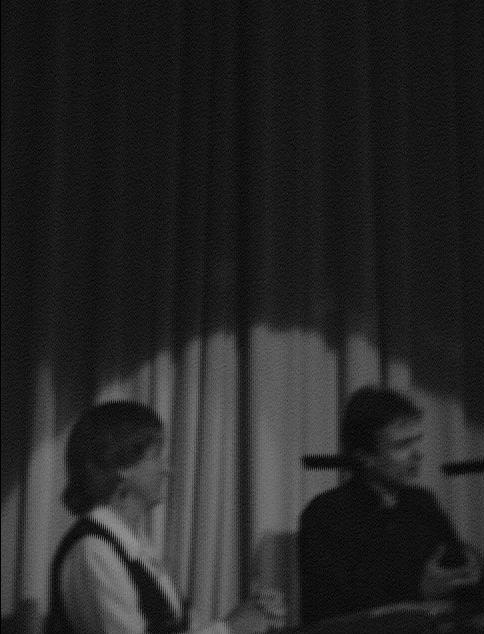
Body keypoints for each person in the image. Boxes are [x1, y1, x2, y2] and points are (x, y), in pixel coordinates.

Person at [46, 401, 285, 634]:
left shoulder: (133, 545)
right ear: (122, 466)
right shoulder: (94, 551)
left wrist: (253, 616)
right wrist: (230, 628)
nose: (166, 469)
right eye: (156, 456)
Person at [299, 386, 482, 625]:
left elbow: (458, 576)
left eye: (416, 441)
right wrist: (418, 590)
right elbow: (326, 611)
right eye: (402, 445)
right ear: (365, 456)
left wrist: (471, 572)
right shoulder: (326, 514)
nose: (417, 454)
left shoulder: (422, 503)